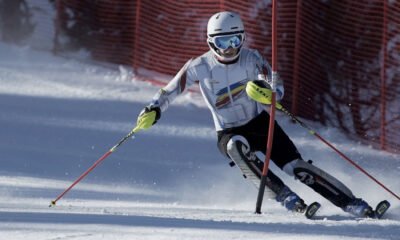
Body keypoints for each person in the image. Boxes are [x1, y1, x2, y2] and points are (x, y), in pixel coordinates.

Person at [136, 11, 374, 217]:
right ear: (210, 43)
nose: (229, 48)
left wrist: (268, 93)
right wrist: (154, 109)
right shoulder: (200, 65)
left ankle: (352, 203)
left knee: (296, 167)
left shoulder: (252, 59)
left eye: (234, 40)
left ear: (243, 38)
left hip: (260, 124)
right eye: (222, 42)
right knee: (236, 148)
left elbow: (276, 86)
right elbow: (170, 90)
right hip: (228, 130)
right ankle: (285, 196)